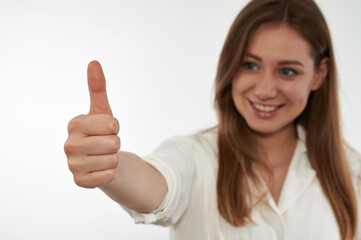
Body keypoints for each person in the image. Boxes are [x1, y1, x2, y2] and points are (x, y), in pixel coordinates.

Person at [64, 0, 361, 239]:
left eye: (287, 71)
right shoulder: (196, 157)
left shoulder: (353, 173)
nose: (265, 90)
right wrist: (111, 166)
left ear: (319, 74)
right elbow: (157, 185)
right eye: (250, 64)